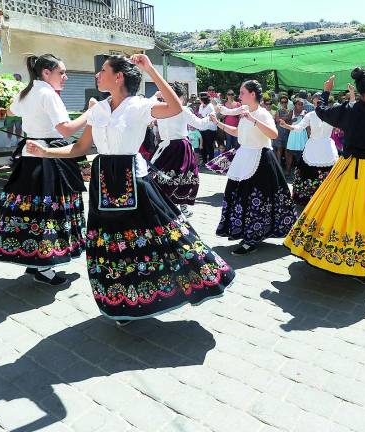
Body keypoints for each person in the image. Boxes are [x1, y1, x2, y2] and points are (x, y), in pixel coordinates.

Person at [25, 54, 234, 323]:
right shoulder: (98, 109)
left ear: (119, 76)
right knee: (109, 245)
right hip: (103, 182)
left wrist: (150, 69)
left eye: (103, 70)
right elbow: (80, 147)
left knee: (158, 239)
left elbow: (174, 108)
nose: (97, 75)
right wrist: (46, 151)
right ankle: (120, 302)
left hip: (134, 181)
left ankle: (188, 283)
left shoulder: (140, 106)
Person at [0, 54, 91, 285]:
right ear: (46, 72)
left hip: (30, 155)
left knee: (32, 208)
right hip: (48, 156)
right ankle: (45, 267)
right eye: (61, 73)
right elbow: (65, 130)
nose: (65, 77)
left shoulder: (28, 92)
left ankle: (34, 263)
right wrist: (90, 113)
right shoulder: (47, 94)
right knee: (49, 210)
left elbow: (12, 110)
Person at [284, 68, 365, 286]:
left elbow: (321, 111)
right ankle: (361, 266)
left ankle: (322, 250)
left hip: (345, 168)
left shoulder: (347, 109)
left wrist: (325, 91)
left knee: (336, 210)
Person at [208, 80, 297, 255]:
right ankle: (248, 234)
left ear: (252, 94)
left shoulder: (262, 114)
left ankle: (252, 239)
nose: (239, 96)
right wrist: (219, 124)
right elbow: (238, 132)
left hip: (260, 160)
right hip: (244, 158)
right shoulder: (245, 112)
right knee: (241, 197)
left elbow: (274, 134)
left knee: (254, 200)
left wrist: (253, 120)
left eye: (242, 93)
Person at [149, 84, 215, 217]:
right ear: (181, 97)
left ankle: (171, 206)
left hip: (164, 147)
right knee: (185, 176)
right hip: (179, 147)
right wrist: (212, 115)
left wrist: (155, 96)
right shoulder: (181, 109)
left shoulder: (159, 108)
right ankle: (178, 207)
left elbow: (145, 108)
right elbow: (200, 124)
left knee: (165, 176)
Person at [279, 92, 338, 206]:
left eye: (319, 101)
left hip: (326, 148)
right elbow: (299, 127)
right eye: (315, 101)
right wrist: (286, 126)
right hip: (314, 147)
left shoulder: (332, 114)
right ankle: (307, 200)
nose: (317, 103)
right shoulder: (310, 115)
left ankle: (327, 200)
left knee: (326, 173)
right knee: (307, 172)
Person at [283, 99, 308, 175]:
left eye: (302, 104)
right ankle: (288, 170)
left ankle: (300, 172)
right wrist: (292, 120)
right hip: (293, 134)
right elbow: (286, 122)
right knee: (289, 152)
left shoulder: (305, 113)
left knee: (302, 153)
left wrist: (303, 116)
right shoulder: (291, 112)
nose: (300, 105)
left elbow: (308, 124)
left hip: (302, 134)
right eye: (299, 104)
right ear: (295, 105)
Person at [197, 92, 217, 164]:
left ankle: (211, 162)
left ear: (203, 99)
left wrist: (203, 117)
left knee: (209, 146)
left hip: (210, 129)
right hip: (202, 128)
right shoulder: (201, 106)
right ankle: (204, 161)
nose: (198, 99)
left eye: (199, 98)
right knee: (203, 146)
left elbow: (212, 117)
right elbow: (199, 114)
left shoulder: (210, 106)